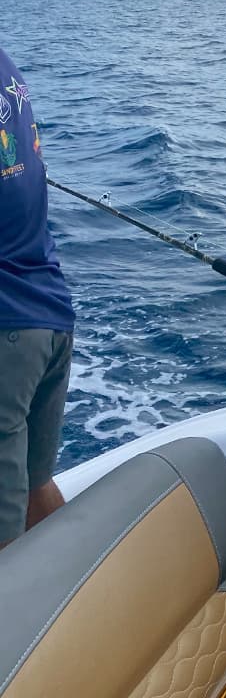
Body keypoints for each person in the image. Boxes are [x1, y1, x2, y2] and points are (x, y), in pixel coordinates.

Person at [0, 45, 74, 551]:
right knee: (35, 492)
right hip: (50, 313)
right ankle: (105, 610)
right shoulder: (6, 66)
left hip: (8, 338)